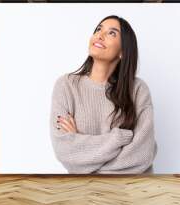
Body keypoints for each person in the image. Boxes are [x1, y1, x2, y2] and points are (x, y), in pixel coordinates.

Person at [49, 15, 157, 174]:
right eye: (99, 29)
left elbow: (143, 154)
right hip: (84, 193)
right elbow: (64, 150)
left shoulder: (138, 89)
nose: (99, 35)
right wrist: (117, 139)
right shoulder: (66, 85)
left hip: (132, 191)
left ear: (123, 51)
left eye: (111, 33)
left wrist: (81, 148)